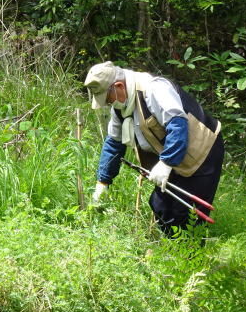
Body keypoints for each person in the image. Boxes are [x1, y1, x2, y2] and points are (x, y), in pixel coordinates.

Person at [83, 61, 224, 236]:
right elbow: (114, 143)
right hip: (174, 155)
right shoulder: (121, 106)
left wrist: (166, 163)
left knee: (186, 215)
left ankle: (190, 259)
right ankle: (173, 255)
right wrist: (102, 182)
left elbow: (178, 125)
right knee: (161, 206)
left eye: (107, 98)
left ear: (118, 86)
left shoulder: (154, 89)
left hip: (203, 152)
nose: (106, 104)